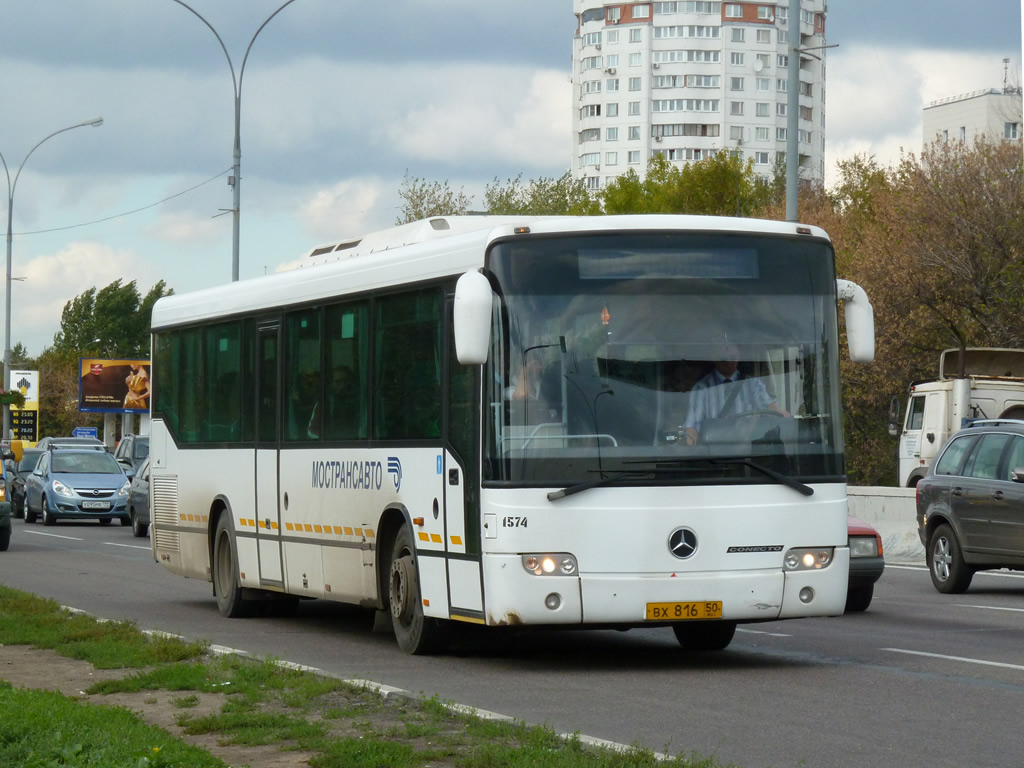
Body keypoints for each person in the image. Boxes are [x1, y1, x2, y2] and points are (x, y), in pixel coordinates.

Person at [682, 343, 788, 445]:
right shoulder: (702, 389)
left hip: (747, 452)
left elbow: (769, 406)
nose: (729, 363)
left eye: (733, 358)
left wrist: (780, 413)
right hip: (713, 455)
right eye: (723, 359)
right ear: (714, 358)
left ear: (739, 357)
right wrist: (693, 449)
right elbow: (692, 428)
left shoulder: (752, 384)